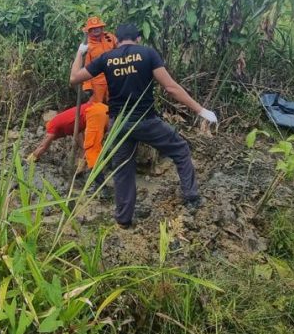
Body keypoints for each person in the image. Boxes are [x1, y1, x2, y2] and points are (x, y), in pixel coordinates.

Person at [69, 23, 218, 228]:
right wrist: (200, 110)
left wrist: (80, 53)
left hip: (119, 125)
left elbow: (74, 78)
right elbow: (171, 88)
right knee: (181, 149)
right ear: (137, 38)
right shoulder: (147, 54)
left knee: (123, 170)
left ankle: (123, 220)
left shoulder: (106, 58)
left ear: (117, 40)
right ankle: (191, 197)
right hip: (146, 121)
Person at [27, 101, 110, 172]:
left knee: (93, 148)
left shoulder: (52, 125)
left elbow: (43, 146)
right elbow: (83, 146)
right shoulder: (71, 125)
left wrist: (32, 157)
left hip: (95, 113)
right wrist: (80, 165)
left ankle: (99, 180)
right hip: (103, 109)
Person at [80, 16, 117, 104]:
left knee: (114, 102)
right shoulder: (87, 45)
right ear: (88, 30)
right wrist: (87, 86)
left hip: (113, 77)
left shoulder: (110, 37)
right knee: (96, 105)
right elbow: (86, 66)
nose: (96, 30)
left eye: (98, 27)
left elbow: (120, 49)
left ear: (102, 27)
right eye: (93, 28)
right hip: (97, 81)